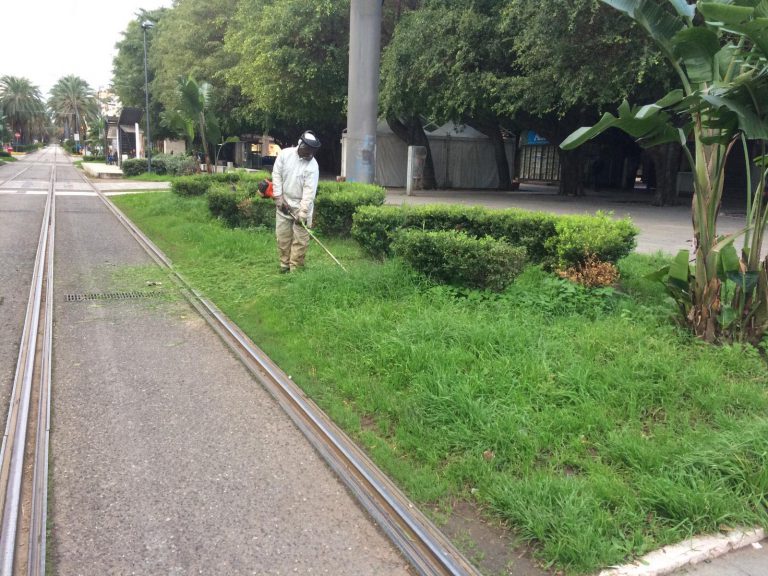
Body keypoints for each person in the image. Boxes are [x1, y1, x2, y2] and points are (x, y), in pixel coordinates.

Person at [271, 130, 321, 273]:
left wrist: (303, 212)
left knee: (300, 240)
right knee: (283, 237)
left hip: (302, 206)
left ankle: (296, 269)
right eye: (308, 150)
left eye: (312, 151)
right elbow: (277, 175)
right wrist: (279, 197)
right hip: (284, 203)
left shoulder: (312, 166)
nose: (310, 154)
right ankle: (284, 265)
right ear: (301, 146)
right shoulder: (285, 155)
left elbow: (309, 191)